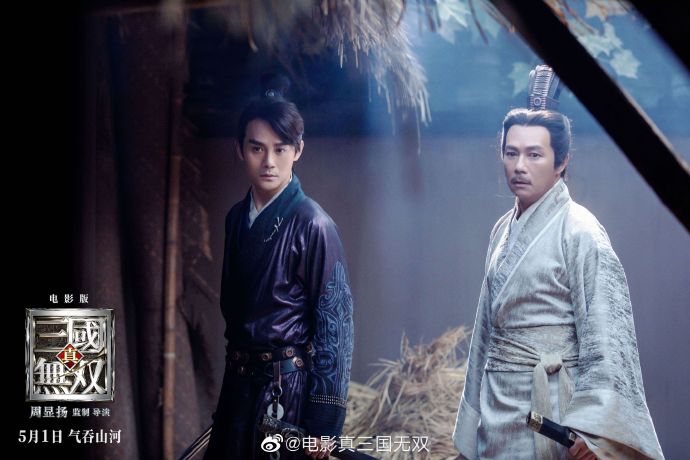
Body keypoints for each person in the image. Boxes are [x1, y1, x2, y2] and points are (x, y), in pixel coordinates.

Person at [451, 65, 664, 459]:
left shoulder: (580, 231)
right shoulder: (501, 230)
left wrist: (593, 435)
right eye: (511, 153)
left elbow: (607, 340)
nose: (520, 165)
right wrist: (470, 423)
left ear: (561, 160)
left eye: (534, 154)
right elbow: (484, 334)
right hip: (497, 408)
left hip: (552, 407)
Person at [204, 75, 354, 460]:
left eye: (280, 148)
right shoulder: (236, 218)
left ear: (298, 150)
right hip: (238, 384)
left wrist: (324, 423)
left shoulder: (314, 225)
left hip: (285, 391)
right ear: (240, 149)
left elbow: (335, 326)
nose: (268, 161)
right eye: (257, 148)